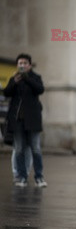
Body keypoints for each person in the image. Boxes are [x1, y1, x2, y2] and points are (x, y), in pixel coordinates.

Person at [4, 53, 47, 188]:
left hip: (32, 121)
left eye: (24, 63)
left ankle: (39, 177)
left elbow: (40, 89)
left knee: (35, 149)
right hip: (17, 121)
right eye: (20, 63)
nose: (22, 65)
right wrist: (14, 82)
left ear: (29, 65)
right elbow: (6, 93)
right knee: (19, 149)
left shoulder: (35, 77)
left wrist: (26, 78)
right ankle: (22, 177)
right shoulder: (14, 78)